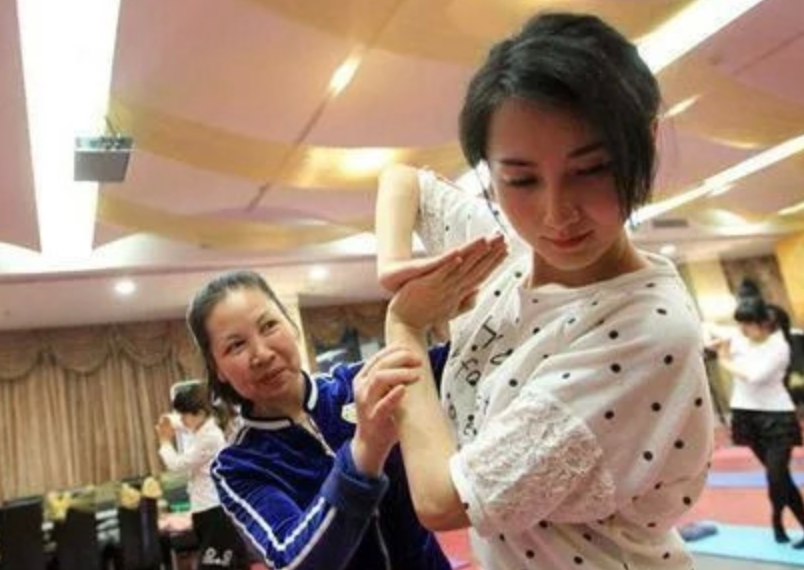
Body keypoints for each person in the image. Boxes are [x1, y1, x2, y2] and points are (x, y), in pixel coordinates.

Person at [375, 12, 714, 569]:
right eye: (521, 179)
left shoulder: (648, 331)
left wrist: (405, 326)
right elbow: (403, 179)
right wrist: (393, 262)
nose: (556, 214)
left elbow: (442, 499)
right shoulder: (504, 256)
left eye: (591, 169)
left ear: (647, 142)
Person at [185, 269, 460, 570]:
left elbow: (464, 360)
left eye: (269, 325)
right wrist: (365, 449)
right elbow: (293, 561)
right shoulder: (239, 465)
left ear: (292, 326)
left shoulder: (360, 384)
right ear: (217, 369)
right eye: (236, 345)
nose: (261, 354)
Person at [715, 297, 804, 546]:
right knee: (782, 477)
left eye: (747, 325)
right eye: (740, 324)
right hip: (747, 416)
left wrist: (723, 358)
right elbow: (709, 329)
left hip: (777, 417)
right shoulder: (740, 336)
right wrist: (718, 341)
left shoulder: (779, 346)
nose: (742, 329)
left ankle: (776, 518)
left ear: (764, 324)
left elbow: (755, 376)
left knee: (776, 476)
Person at [156, 383, 248, 569]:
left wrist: (165, 441)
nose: (181, 419)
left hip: (213, 508)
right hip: (205, 509)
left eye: (184, 415)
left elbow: (178, 465)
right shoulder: (203, 425)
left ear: (199, 413)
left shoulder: (210, 436)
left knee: (216, 564)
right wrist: (168, 420)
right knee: (224, 562)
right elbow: (182, 423)